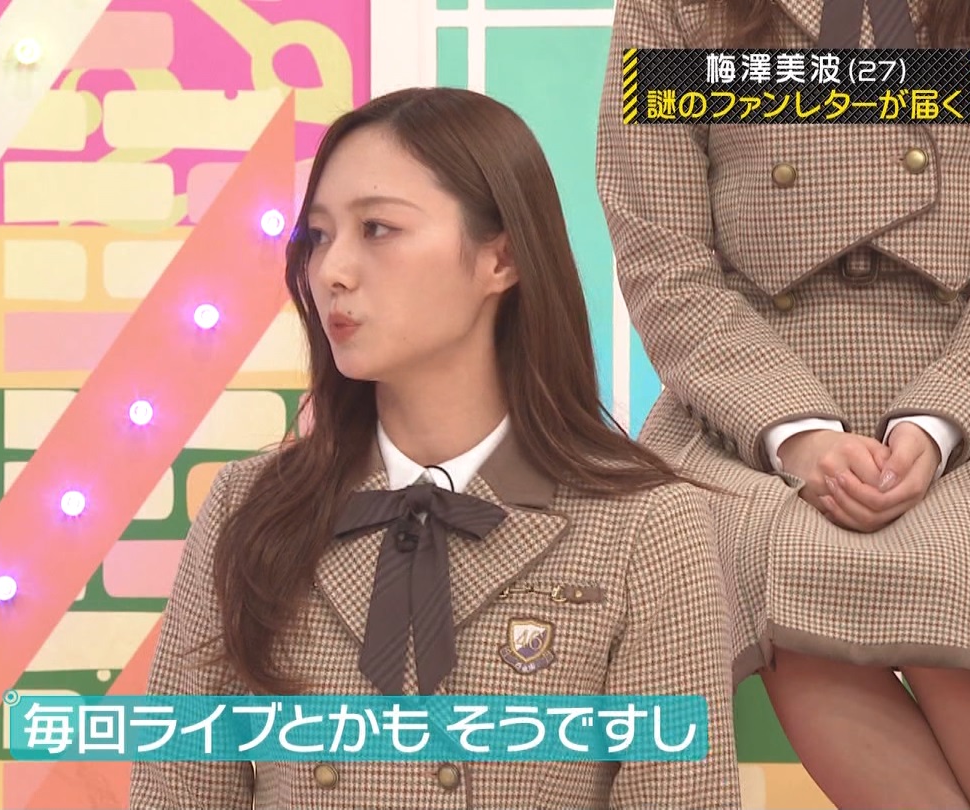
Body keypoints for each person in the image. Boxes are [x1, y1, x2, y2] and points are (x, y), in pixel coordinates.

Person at [130, 87, 742, 809]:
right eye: (318, 236)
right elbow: (178, 791)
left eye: (378, 228)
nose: (332, 271)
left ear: (501, 259)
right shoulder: (249, 507)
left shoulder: (648, 526)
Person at [595, 0, 970, 808]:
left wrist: (939, 421)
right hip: (743, 411)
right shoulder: (671, 9)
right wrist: (796, 435)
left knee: (964, 554)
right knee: (767, 555)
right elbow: (662, 255)